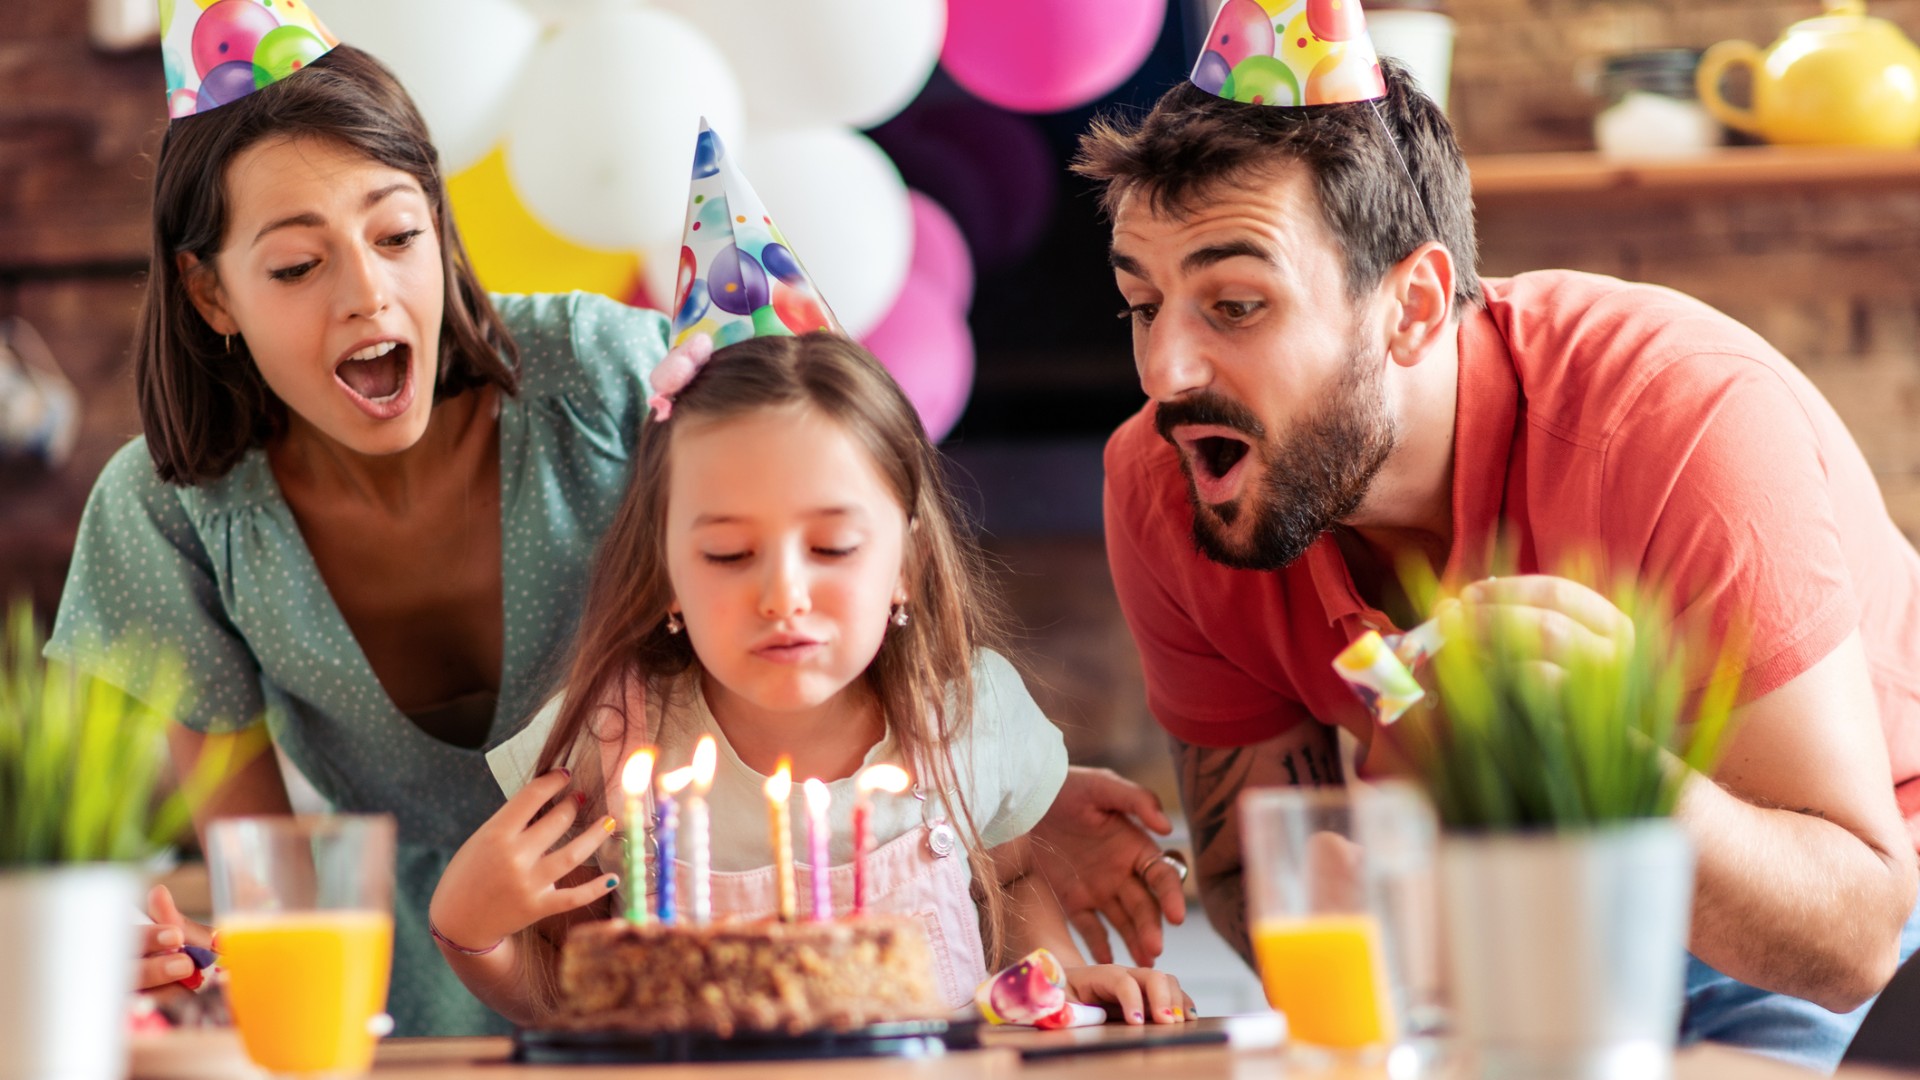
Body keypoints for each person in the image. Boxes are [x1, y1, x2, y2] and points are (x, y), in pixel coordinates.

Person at [1073, 53, 1920, 1072]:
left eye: (1236, 305)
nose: (1165, 372)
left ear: (1415, 306)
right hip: (1499, 921)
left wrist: (1588, 761)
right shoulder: (1169, 482)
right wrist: (1377, 916)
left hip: (1832, 903)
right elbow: (1263, 872)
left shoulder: (1682, 422)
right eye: (1143, 305)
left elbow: (1852, 940)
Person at [426, 331, 1194, 1026]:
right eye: (728, 554)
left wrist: (1060, 980)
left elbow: (1016, 879)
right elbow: (575, 996)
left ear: (907, 566)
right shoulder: (614, 739)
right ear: (665, 575)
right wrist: (474, 933)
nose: (783, 594)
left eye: (831, 547)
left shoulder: (967, 711)